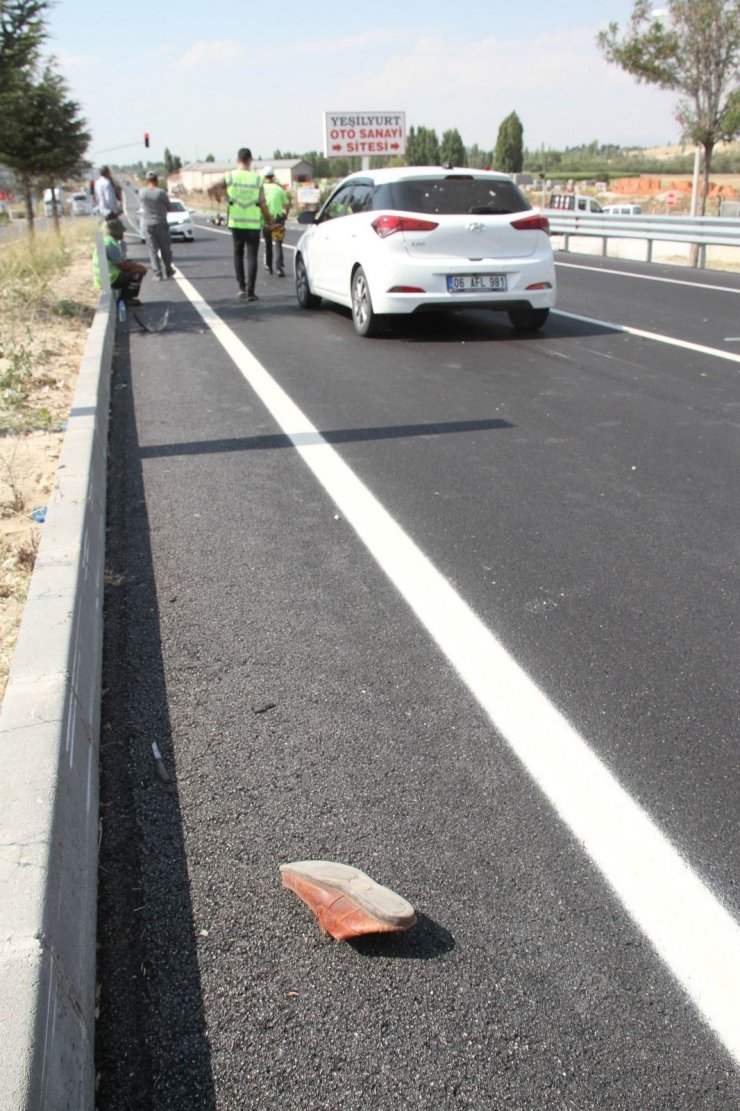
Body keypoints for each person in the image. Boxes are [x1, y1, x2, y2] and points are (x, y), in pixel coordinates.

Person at [216, 148, 272, 301]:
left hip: (236, 223)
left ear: (237, 159)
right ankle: (251, 291)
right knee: (252, 256)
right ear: (250, 160)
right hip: (253, 224)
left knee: (238, 254)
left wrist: (225, 198)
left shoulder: (230, 176)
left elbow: (214, 187)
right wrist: (270, 221)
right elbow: (263, 203)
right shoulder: (257, 179)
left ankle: (241, 288)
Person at [92, 217, 147, 304]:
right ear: (116, 233)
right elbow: (122, 265)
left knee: (132, 267)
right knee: (138, 272)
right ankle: (126, 299)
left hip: (102, 279)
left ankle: (125, 297)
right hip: (110, 279)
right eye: (121, 232)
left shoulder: (105, 240)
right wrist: (138, 267)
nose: (123, 234)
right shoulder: (111, 244)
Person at [139, 171, 176, 281]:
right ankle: (168, 270)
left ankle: (157, 274)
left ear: (147, 181)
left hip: (147, 224)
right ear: (156, 180)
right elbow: (169, 207)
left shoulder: (142, 193)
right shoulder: (161, 193)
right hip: (160, 222)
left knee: (152, 249)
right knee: (165, 249)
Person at [261, 167, 290, 277]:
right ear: (273, 176)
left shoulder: (261, 189)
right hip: (278, 220)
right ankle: (279, 268)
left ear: (264, 177)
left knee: (267, 243)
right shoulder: (279, 189)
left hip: (266, 220)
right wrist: (285, 216)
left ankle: (268, 266)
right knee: (278, 243)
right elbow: (286, 205)